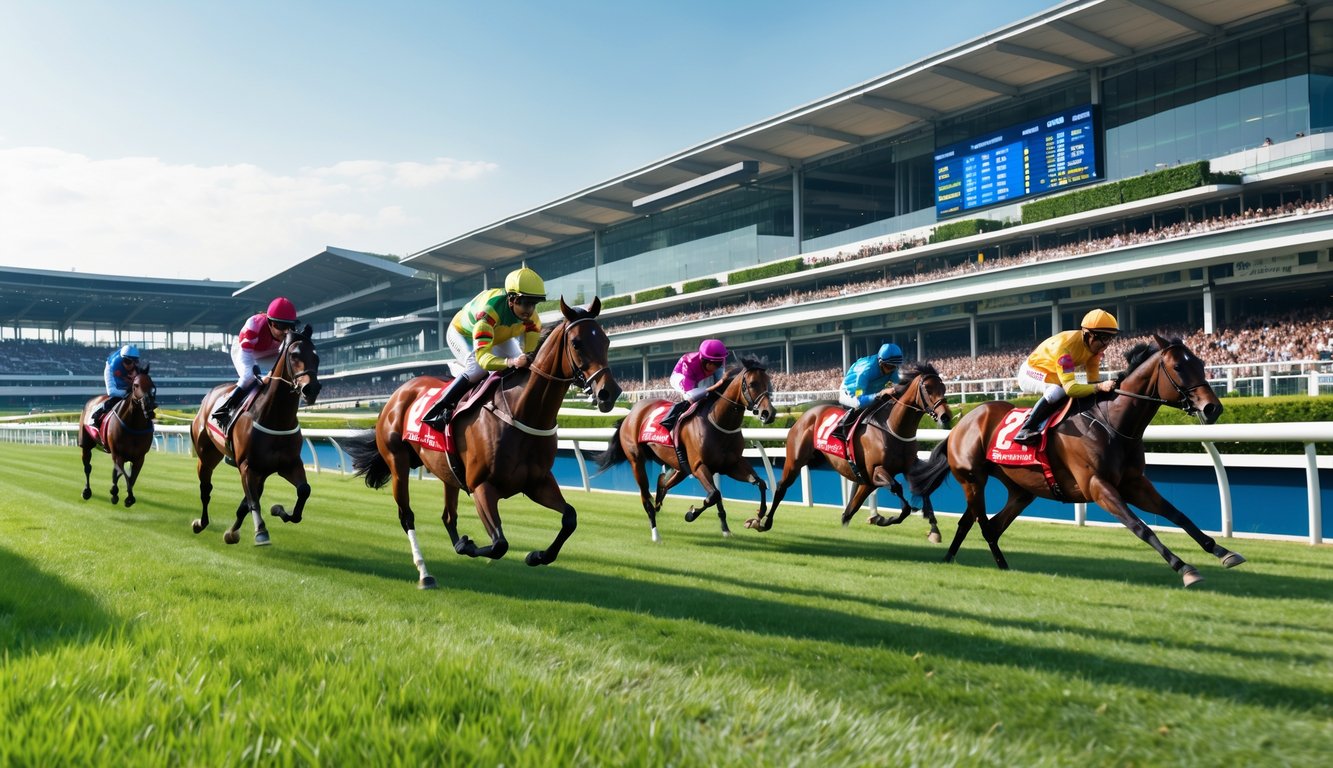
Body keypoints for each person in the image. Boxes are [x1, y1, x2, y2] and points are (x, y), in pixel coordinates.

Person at [420, 267, 545, 432]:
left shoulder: (533, 321)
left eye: (533, 304)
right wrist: (511, 362)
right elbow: (484, 360)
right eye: (525, 303)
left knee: (525, 364)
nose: (529, 310)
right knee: (477, 369)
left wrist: (521, 360)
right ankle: (438, 409)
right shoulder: (488, 313)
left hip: (499, 335)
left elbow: (528, 356)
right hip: (462, 333)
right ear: (512, 299)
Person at [1012, 308, 1120, 445]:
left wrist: (1099, 386)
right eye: (1104, 338)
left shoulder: (1095, 351)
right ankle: (1026, 429)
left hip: (1052, 372)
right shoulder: (1065, 348)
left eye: (1110, 338)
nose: (1106, 345)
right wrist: (1099, 386)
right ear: (1089, 335)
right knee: (1057, 390)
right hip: (1030, 372)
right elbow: (1071, 389)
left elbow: (1093, 382)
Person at [213, 297, 300, 430]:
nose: (286, 331)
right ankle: (225, 409)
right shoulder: (254, 324)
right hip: (246, 351)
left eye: (290, 326)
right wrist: (260, 376)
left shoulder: (288, 333)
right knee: (249, 377)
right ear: (270, 323)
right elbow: (248, 357)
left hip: (271, 353)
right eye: (281, 326)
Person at [657, 338, 727, 470]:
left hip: (700, 376)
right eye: (715, 364)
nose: (718, 366)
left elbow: (721, 386)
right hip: (682, 378)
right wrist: (710, 389)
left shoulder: (718, 360)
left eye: (720, 363)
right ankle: (674, 433)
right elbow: (690, 395)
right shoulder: (689, 363)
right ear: (705, 360)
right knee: (694, 397)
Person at [829, 342, 903, 443]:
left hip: (870, 393)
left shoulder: (891, 368)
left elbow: (900, 388)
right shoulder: (866, 370)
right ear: (881, 362)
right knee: (858, 404)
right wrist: (880, 394)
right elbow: (860, 399)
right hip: (852, 393)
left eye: (894, 367)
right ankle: (840, 432)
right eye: (889, 367)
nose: (892, 370)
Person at [88, 344, 140, 428]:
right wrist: (129, 393)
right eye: (128, 362)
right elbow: (112, 392)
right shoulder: (114, 364)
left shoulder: (134, 366)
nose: (131, 365)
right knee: (115, 395)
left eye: (134, 362)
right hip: (112, 370)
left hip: (121, 372)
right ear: (122, 359)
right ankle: (96, 415)